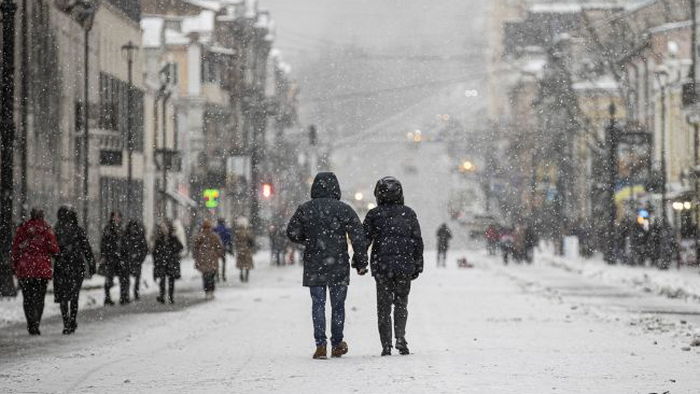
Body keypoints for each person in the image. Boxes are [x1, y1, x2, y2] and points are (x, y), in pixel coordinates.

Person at [287, 172, 368, 360]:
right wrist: (361, 262)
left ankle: (320, 345)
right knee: (338, 305)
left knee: (318, 304)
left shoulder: (305, 209)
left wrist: (308, 239)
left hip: (314, 263)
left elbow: (291, 232)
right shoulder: (344, 209)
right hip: (338, 262)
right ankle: (337, 343)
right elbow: (358, 236)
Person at [363, 176, 423, 356]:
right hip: (404, 266)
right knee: (401, 303)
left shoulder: (374, 215)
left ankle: (386, 344)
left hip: (382, 266)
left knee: (383, 307)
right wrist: (417, 263)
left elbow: (364, 240)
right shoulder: (409, 213)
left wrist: (359, 261)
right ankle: (400, 337)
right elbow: (417, 241)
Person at [11, 208, 59, 335]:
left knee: (27, 298)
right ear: (42, 216)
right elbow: (54, 249)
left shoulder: (23, 229)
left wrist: (15, 265)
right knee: (39, 298)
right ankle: (36, 322)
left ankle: (30, 322)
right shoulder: (46, 229)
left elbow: (15, 248)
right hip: (42, 270)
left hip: (25, 268)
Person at [53, 206, 95, 334]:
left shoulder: (57, 231)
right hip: (76, 266)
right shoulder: (78, 230)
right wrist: (91, 263)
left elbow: (52, 249)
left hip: (61, 267)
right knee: (74, 295)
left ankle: (66, 322)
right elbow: (86, 248)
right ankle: (72, 320)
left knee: (63, 296)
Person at [100, 211, 129, 305]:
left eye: (118, 217)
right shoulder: (108, 229)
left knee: (123, 278)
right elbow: (104, 243)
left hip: (121, 257)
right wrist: (104, 255)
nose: (117, 219)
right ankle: (107, 297)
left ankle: (123, 297)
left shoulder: (123, 229)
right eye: (115, 217)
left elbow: (126, 242)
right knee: (109, 278)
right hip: (111, 257)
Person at [153, 220, 184, 304]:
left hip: (171, 262)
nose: (163, 229)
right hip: (162, 262)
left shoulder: (173, 237)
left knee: (171, 280)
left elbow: (180, 247)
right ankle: (162, 296)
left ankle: (171, 296)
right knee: (162, 279)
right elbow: (155, 251)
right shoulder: (159, 239)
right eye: (162, 228)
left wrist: (173, 250)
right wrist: (157, 259)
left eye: (165, 227)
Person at [193, 220, 224, 299]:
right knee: (211, 276)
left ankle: (207, 291)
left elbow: (195, 248)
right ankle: (211, 291)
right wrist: (218, 254)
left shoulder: (200, 236)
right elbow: (219, 247)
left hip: (203, 259)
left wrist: (196, 256)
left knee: (205, 276)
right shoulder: (214, 236)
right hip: (212, 259)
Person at [123, 220, 149, 300]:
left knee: (136, 277)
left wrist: (140, 258)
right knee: (127, 278)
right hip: (128, 260)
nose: (132, 229)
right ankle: (127, 294)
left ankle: (135, 293)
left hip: (137, 260)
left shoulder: (139, 236)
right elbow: (123, 248)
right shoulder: (126, 236)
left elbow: (144, 248)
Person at [234, 217, 255, 283]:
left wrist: (238, 247)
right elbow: (251, 241)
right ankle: (246, 276)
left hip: (240, 250)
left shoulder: (237, 232)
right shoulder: (247, 232)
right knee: (247, 263)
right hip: (247, 250)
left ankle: (241, 273)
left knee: (241, 263)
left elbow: (235, 241)